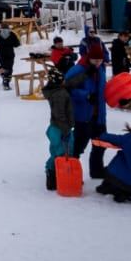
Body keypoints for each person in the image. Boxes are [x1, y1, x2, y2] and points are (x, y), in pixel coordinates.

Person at [65, 41, 110, 180]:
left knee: (101, 143)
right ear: (89, 57)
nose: (97, 62)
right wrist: (86, 95)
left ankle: (96, 171)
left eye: (100, 59)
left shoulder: (101, 69)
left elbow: (103, 88)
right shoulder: (79, 69)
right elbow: (67, 89)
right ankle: (70, 172)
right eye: (95, 60)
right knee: (79, 146)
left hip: (99, 115)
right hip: (83, 115)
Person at [43, 61, 74, 191]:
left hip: (55, 127)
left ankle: (53, 173)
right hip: (60, 128)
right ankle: (53, 176)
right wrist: (66, 129)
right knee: (61, 152)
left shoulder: (55, 91)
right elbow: (59, 114)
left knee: (56, 151)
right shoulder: (60, 94)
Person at [0, 22, 19, 90]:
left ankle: (1, 73)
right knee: (9, 67)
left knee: (4, 66)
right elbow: (17, 44)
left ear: (1, 28)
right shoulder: (12, 34)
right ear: (8, 28)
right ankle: (6, 82)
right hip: (10, 53)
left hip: (1, 53)